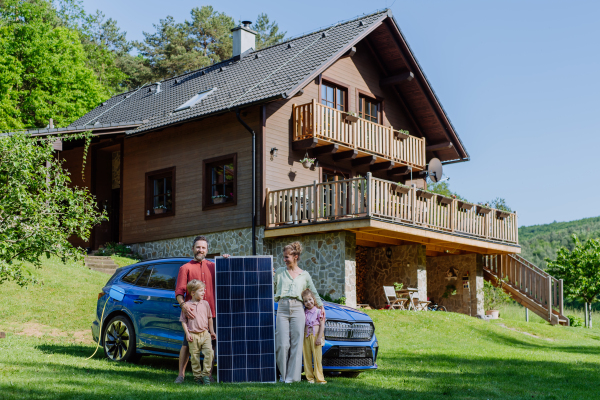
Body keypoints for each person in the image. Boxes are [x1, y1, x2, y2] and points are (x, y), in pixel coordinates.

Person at [174, 235, 229, 383]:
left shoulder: (214, 266)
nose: (200, 250)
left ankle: (207, 375)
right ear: (193, 249)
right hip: (192, 314)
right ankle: (181, 375)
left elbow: (228, 276)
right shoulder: (185, 268)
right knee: (186, 345)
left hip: (211, 313)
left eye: (203, 248)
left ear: (207, 250)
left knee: (211, 346)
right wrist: (183, 305)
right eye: (198, 247)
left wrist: (226, 260)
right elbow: (179, 293)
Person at [274, 241, 325, 383]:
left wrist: (321, 307)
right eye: (284, 257)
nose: (284, 260)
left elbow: (313, 292)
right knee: (282, 344)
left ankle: (293, 378)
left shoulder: (305, 275)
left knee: (297, 344)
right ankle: (283, 376)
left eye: (286, 257)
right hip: (282, 308)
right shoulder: (279, 272)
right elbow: (271, 289)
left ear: (295, 256)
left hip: (298, 309)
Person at [180, 279, 216, 385]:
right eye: (201, 291)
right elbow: (183, 321)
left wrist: (212, 332)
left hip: (205, 334)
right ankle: (197, 378)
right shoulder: (186, 306)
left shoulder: (205, 304)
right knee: (195, 357)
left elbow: (210, 318)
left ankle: (206, 375)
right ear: (193, 293)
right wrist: (187, 333)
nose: (204, 293)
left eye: (204, 290)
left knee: (209, 353)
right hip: (193, 335)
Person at [301, 288, 327, 384]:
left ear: (314, 299)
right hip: (306, 337)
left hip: (316, 337)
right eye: (306, 301)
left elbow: (322, 325)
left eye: (310, 299)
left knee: (317, 358)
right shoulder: (304, 312)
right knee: (307, 357)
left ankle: (319, 378)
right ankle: (309, 378)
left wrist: (319, 337)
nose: (308, 302)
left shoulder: (318, 311)